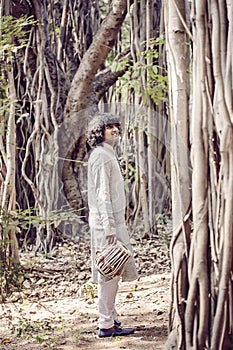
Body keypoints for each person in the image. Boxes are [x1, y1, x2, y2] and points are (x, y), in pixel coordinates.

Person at [86, 112, 138, 338]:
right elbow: (102, 194)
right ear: (100, 131)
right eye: (109, 127)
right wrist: (109, 227)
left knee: (113, 271)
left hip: (111, 221)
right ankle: (106, 324)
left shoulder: (106, 153)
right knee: (109, 272)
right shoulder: (101, 156)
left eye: (117, 125)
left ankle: (112, 319)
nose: (115, 129)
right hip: (106, 223)